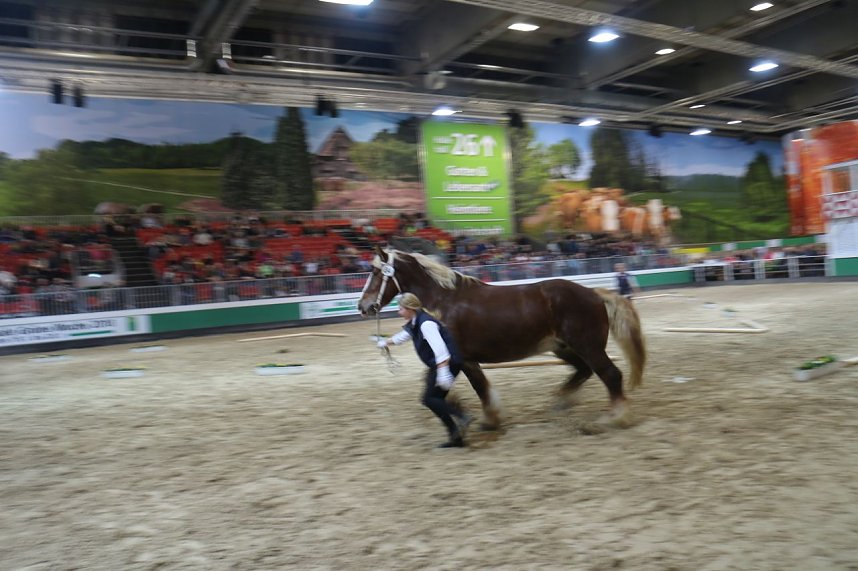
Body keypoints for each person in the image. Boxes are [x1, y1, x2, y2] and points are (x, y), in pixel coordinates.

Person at [377, 292, 470, 448]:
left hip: (447, 363)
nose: (398, 312)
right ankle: (456, 435)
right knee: (434, 399)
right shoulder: (415, 321)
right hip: (442, 364)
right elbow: (402, 337)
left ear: (410, 308)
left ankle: (462, 417)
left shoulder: (426, 324)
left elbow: (441, 351)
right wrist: (385, 342)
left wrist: (443, 372)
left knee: (430, 399)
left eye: (400, 309)